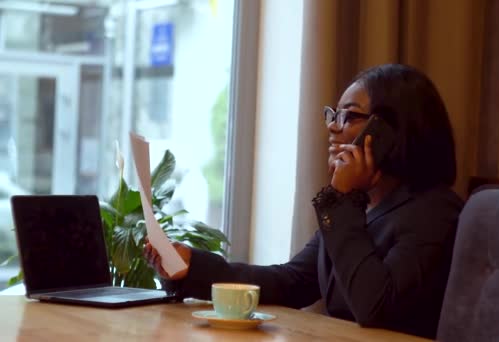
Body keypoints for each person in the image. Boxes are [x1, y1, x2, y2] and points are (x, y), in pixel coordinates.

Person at [144, 64, 463, 339]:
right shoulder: (359, 206)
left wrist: (340, 198)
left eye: (349, 116)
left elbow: (376, 307)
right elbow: (292, 282)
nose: (332, 126)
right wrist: (192, 267)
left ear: (394, 131)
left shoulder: (434, 212)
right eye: (333, 114)